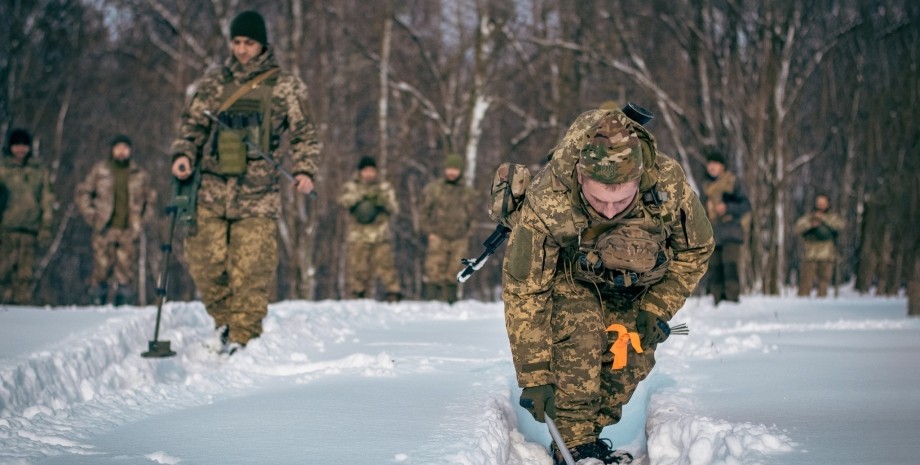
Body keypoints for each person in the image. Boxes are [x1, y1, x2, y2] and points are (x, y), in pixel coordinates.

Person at [502, 109, 713, 464]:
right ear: (581, 178)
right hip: (571, 280)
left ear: (640, 178)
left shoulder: (668, 185)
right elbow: (525, 290)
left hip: (637, 287)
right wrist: (535, 374)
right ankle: (575, 447)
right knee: (581, 339)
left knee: (627, 358)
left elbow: (697, 249)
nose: (612, 211)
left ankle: (587, 435)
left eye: (622, 200)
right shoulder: (549, 199)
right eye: (600, 201)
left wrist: (657, 307)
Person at [168, 10, 320, 353]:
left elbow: (305, 134)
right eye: (236, 42)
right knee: (204, 261)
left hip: (258, 193)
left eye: (248, 43)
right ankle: (226, 321)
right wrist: (183, 156)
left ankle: (243, 337)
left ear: (261, 43)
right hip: (211, 188)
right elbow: (191, 127)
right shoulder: (213, 83)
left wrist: (305, 170)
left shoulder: (286, 86)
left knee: (251, 269)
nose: (241, 50)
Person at [75, 135, 157, 305]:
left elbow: (150, 199)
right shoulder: (100, 170)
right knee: (101, 270)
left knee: (125, 273)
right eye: (118, 147)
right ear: (112, 150)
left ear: (130, 150)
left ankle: (122, 311)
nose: (121, 151)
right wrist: (91, 215)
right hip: (104, 228)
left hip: (128, 229)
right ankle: (97, 307)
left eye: (125, 148)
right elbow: (83, 192)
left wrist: (141, 222)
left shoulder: (139, 174)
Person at [0, 129, 54, 305]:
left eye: (24, 146)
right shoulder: (3, 169)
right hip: (5, 228)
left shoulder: (38, 171)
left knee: (25, 275)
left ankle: (22, 312)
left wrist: (46, 226)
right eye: (17, 145)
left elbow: (46, 199)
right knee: (3, 270)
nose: (20, 150)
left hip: (30, 229)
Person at [337, 156, 402, 302]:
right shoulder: (352, 187)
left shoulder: (384, 188)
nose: (369, 174)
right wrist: (361, 195)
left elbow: (394, 207)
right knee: (358, 268)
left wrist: (380, 199)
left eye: (371, 171)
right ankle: (358, 295)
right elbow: (343, 201)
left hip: (380, 234)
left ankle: (393, 294)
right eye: (365, 171)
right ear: (360, 172)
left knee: (386, 266)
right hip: (358, 235)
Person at [420, 153, 478, 302]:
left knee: (454, 271)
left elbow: (473, 214)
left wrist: (468, 232)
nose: (452, 173)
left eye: (455, 169)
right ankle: (431, 303)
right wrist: (429, 231)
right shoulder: (434, 189)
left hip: (459, 237)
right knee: (434, 269)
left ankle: (451, 305)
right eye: (449, 169)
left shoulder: (467, 192)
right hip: (438, 235)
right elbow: (424, 211)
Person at [700, 150, 751, 305]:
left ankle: (732, 302)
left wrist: (727, 207)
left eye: (715, 164)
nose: (712, 167)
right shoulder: (706, 186)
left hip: (731, 232)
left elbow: (746, 205)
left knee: (730, 268)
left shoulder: (733, 182)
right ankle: (717, 301)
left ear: (722, 166)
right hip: (713, 233)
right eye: (710, 164)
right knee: (714, 269)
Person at [794, 194, 844, 297]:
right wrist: (811, 224)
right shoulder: (809, 216)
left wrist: (823, 219)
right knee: (806, 281)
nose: (820, 205)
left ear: (827, 204)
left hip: (827, 253)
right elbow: (798, 227)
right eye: (819, 203)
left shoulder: (832, 216)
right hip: (810, 254)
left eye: (823, 203)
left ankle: (821, 304)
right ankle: (801, 304)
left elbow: (840, 225)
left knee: (824, 281)